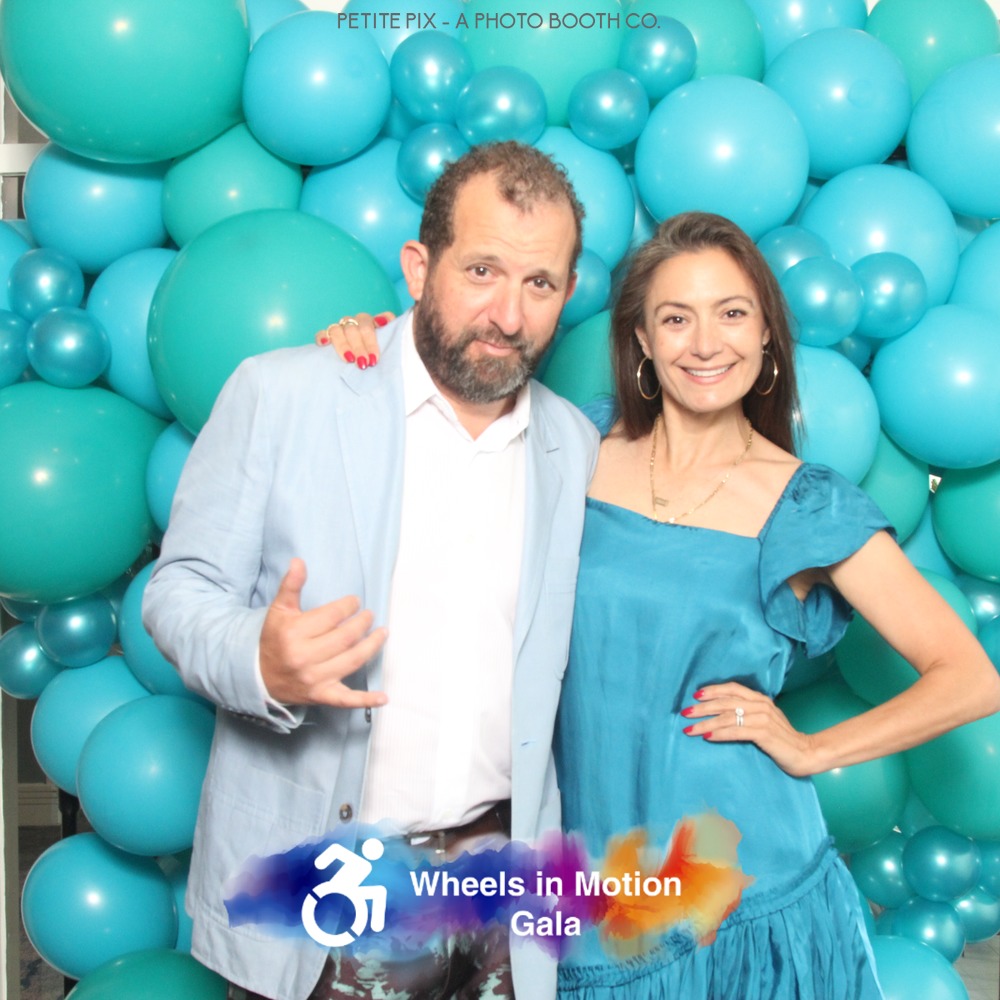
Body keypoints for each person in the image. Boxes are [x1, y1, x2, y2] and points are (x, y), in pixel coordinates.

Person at [324, 212, 1000, 999]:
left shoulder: (807, 504)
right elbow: (433, 451)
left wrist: (814, 749)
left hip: (739, 897)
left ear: (767, 334)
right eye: (677, 318)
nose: (706, 343)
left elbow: (970, 678)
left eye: (732, 313)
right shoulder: (573, 444)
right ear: (642, 340)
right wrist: (377, 354)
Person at [142, 141, 599, 1000]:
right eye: (481, 271)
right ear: (419, 268)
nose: (507, 314)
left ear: (568, 293)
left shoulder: (572, 445)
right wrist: (258, 658)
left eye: (538, 283)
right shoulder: (284, 395)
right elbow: (178, 590)